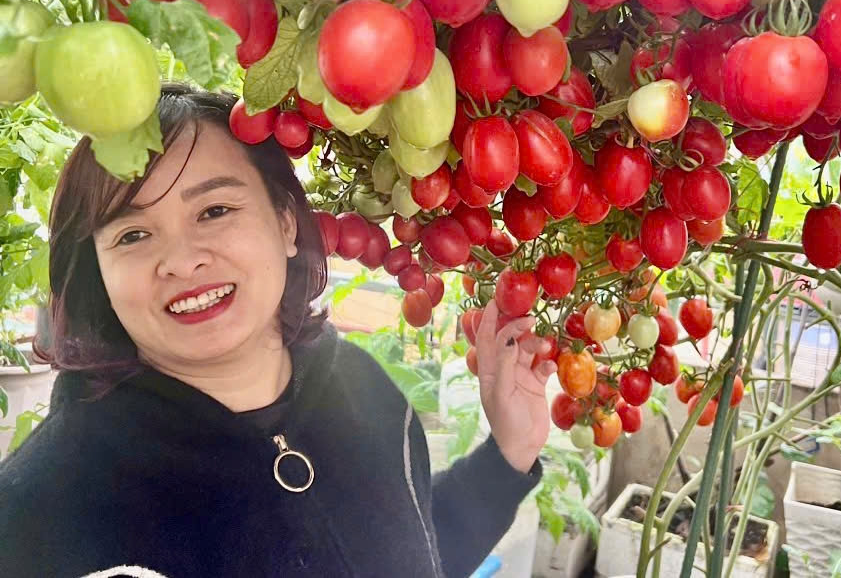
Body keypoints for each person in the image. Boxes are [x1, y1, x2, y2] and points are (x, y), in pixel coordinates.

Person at [0, 83, 556, 578]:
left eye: (214, 210)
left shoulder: (363, 391)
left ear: (286, 222)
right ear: (97, 274)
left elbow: (415, 545)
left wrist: (507, 455)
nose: (183, 261)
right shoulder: (42, 516)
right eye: (132, 236)